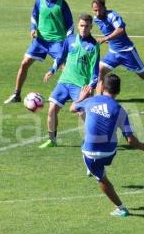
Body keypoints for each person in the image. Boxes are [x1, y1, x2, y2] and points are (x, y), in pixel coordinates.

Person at [70, 74, 144, 217]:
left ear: (102, 87)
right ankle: (95, 167)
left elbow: (72, 108)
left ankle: (121, 208)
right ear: (118, 91)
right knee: (102, 134)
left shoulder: (90, 101)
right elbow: (130, 140)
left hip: (92, 154)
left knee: (101, 178)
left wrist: (82, 97)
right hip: (110, 152)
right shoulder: (120, 110)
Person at [4, 0, 74, 104]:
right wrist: (33, 28)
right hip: (40, 41)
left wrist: (69, 40)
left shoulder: (62, 3)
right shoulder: (39, 1)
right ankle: (17, 94)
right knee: (24, 63)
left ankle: (71, 93)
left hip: (57, 41)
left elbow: (70, 24)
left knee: (65, 67)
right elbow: (34, 17)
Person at [39, 13, 100, 148]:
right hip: (64, 81)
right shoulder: (70, 40)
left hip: (80, 85)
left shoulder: (94, 46)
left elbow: (95, 71)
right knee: (52, 109)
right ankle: (51, 140)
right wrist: (52, 70)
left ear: (91, 27)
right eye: (81, 25)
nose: (84, 28)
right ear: (78, 26)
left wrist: (91, 86)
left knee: (82, 112)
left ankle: (91, 139)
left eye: (87, 26)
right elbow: (61, 57)